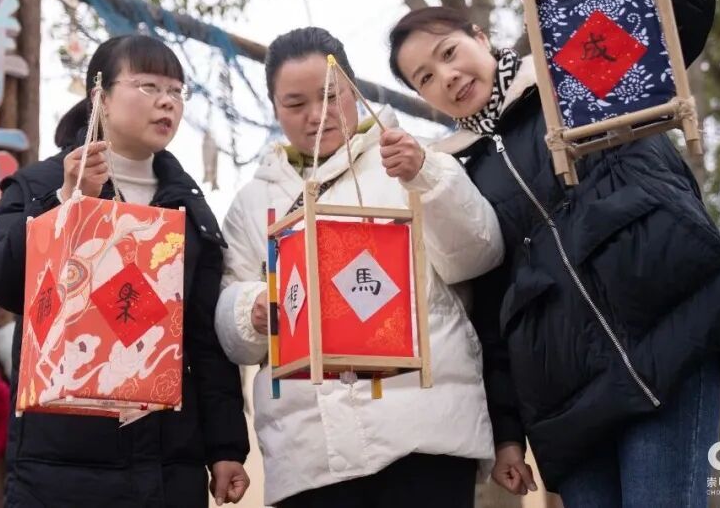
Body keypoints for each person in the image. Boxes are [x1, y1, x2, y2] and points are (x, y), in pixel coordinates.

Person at [386, 0, 720, 505]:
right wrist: (507, 432)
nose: (447, 76)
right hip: (566, 402)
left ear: (481, 37)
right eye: (425, 77)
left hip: (669, 328)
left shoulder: (571, 73)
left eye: (449, 52)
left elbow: (676, 25)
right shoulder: (454, 178)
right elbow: (488, 311)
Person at [214, 26, 506, 507]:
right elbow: (231, 329)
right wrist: (250, 311)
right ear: (274, 108)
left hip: (422, 437)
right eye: (295, 103)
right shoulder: (251, 203)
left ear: (353, 89)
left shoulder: (414, 158)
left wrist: (427, 177)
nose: (316, 115)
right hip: (309, 455)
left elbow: (478, 255)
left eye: (330, 96)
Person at [0, 34, 250, 507]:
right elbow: (1, 282)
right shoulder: (41, 184)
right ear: (100, 97)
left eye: (176, 91)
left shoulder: (189, 208)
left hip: (169, 466)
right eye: (148, 86)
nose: (167, 101)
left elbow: (204, 338)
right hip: (59, 466)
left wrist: (226, 447)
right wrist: (66, 203)